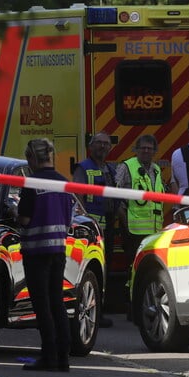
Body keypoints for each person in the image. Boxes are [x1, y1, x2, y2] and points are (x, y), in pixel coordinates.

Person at [18, 138, 74, 372]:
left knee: (42, 306)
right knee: (57, 303)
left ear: (32, 158)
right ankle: (63, 357)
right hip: (58, 251)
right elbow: (68, 219)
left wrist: (14, 212)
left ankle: (48, 356)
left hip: (36, 252)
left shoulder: (32, 183)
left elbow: (24, 220)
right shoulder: (64, 183)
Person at [71, 132, 116, 328]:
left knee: (105, 271)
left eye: (106, 144)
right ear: (91, 146)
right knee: (93, 272)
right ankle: (93, 312)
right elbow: (78, 195)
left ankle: (100, 310)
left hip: (108, 227)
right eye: (99, 143)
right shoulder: (83, 168)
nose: (103, 147)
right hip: (92, 229)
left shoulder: (109, 169)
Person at [115, 135, 166, 271]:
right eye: (142, 148)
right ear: (136, 150)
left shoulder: (156, 170)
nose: (146, 151)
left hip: (154, 230)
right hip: (133, 231)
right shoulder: (126, 167)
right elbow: (116, 197)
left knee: (151, 267)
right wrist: (125, 224)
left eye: (149, 149)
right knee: (134, 268)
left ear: (155, 151)